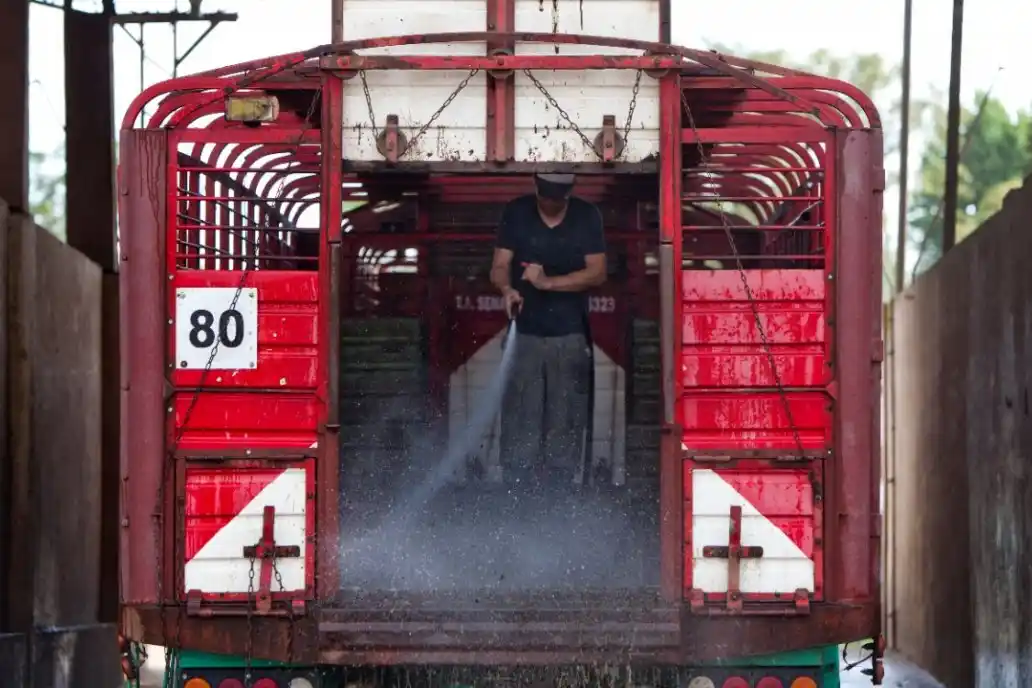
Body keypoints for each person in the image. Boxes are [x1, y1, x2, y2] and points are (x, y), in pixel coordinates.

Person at [489, 172, 607, 489]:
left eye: (557, 200)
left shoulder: (586, 216)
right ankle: (517, 490)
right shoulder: (517, 212)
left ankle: (560, 490)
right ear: (535, 188)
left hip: (569, 335)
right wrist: (507, 290)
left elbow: (597, 273)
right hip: (524, 334)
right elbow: (500, 265)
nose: (551, 204)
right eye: (546, 198)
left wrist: (548, 283)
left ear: (569, 194)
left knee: (565, 418)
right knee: (519, 417)